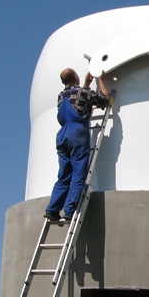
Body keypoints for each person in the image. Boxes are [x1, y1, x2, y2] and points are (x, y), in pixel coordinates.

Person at [44, 68, 111, 223]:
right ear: (75, 77)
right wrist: (101, 80)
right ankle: (70, 209)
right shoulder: (82, 93)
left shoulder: (62, 96)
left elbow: (79, 100)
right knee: (78, 173)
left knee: (64, 174)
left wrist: (87, 84)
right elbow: (104, 99)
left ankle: (52, 209)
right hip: (76, 134)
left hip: (62, 135)